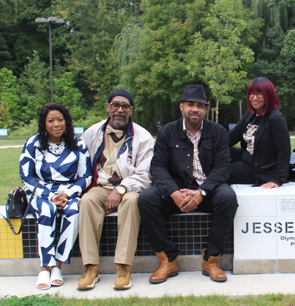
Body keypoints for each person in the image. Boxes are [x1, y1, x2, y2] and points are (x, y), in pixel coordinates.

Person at [139, 85, 238, 284]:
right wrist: (173, 192)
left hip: (206, 192)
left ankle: (211, 259)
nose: (195, 109)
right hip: (177, 193)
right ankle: (167, 260)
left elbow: (223, 167)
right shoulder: (167, 132)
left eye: (200, 106)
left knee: (228, 198)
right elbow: (157, 166)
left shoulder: (217, 132)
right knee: (146, 199)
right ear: (181, 107)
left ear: (206, 109)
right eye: (191, 104)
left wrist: (202, 191)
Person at [77, 89, 155, 290]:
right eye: (116, 105)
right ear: (108, 107)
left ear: (131, 111)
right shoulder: (92, 133)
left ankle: (123, 266)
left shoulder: (143, 137)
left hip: (129, 186)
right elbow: (81, 165)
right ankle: (90, 267)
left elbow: (145, 175)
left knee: (130, 202)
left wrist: (121, 190)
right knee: (86, 201)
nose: (120, 110)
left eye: (125, 106)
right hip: (101, 186)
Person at [19, 103, 92, 290]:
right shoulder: (32, 144)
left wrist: (66, 194)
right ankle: (44, 267)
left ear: (66, 122)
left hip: (68, 193)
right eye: (51, 120)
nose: (56, 124)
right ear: (44, 124)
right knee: (46, 209)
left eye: (60, 120)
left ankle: (57, 265)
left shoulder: (78, 144)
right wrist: (50, 196)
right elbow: (26, 175)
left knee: (75, 210)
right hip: (40, 192)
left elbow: (86, 176)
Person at [227, 77, 290, 188]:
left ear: (268, 95)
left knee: (221, 171)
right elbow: (231, 137)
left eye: (260, 94)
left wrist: (277, 179)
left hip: (260, 169)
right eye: (251, 93)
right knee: (216, 151)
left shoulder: (275, 118)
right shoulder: (250, 114)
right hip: (246, 157)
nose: (254, 98)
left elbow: (284, 151)